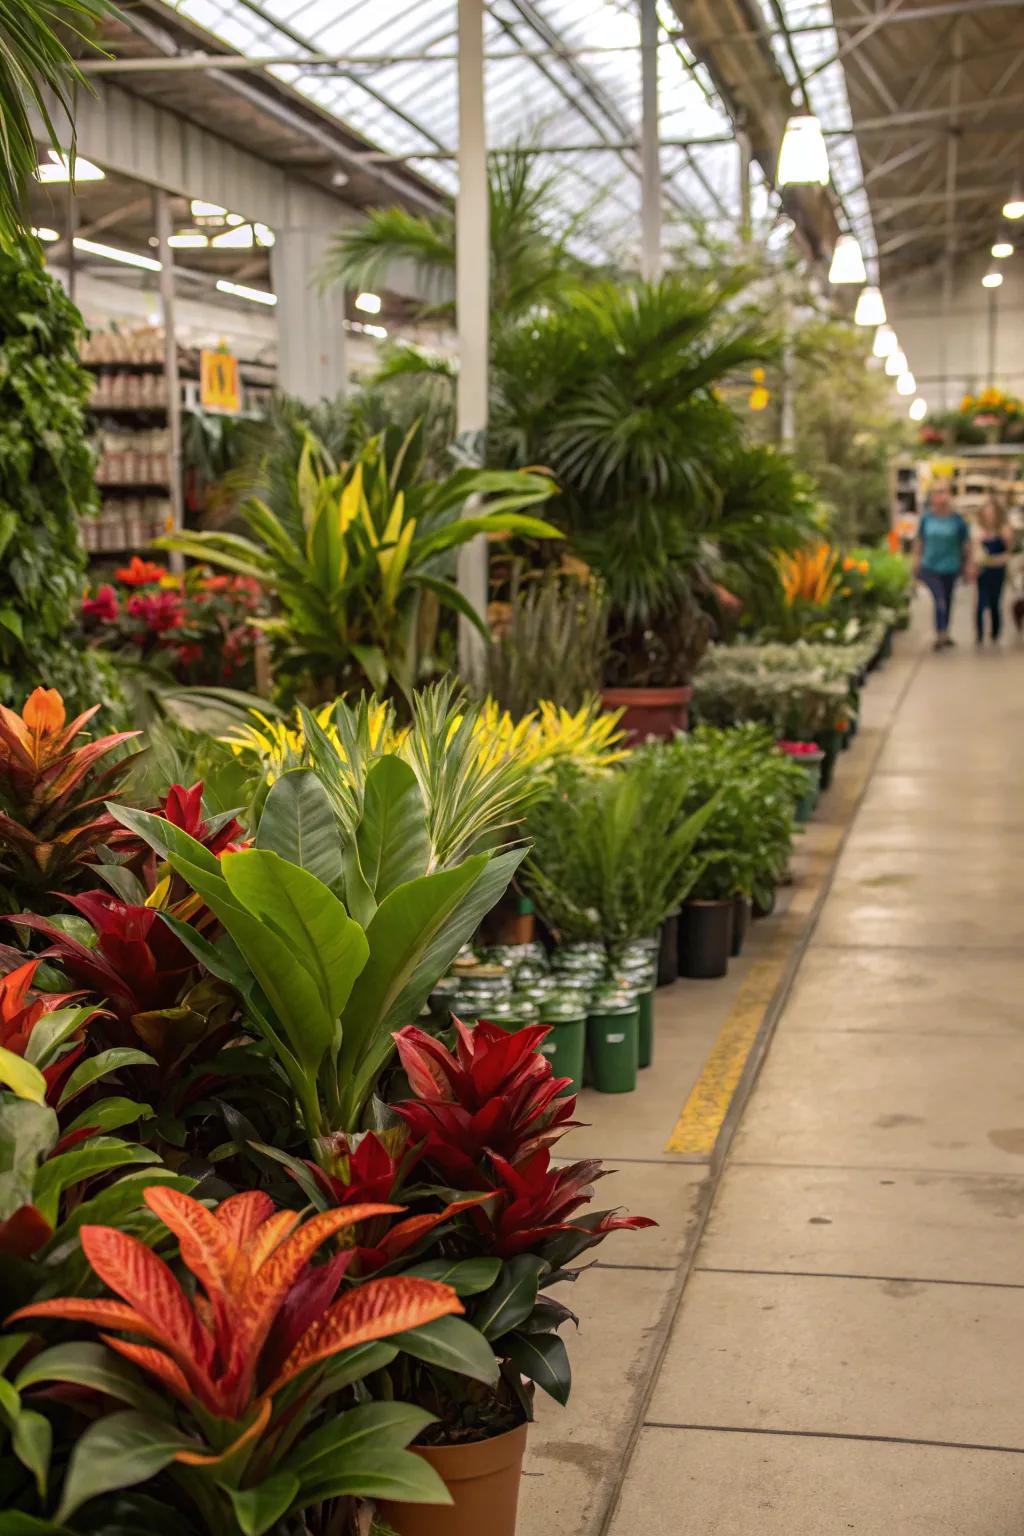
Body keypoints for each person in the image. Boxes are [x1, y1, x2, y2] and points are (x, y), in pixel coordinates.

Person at [914, 481, 972, 649]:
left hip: (951, 566)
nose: (941, 496)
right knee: (939, 599)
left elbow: (966, 543)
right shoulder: (926, 518)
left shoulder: (957, 520)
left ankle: (945, 632)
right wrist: (916, 562)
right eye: (937, 492)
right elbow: (920, 541)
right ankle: (940, 634)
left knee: (948, 599)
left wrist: (968, 565)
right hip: (930, 566)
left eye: (944, 492)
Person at [973, 494, 1013, 644]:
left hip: (998, 571)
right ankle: (979, 634)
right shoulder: (979, 531)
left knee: (995, 602)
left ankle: (995, 633)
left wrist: (999, 559)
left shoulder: (1004, 530)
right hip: (983, 571)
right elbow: (975, 550)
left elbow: (1008, 553)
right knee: (980, 603)